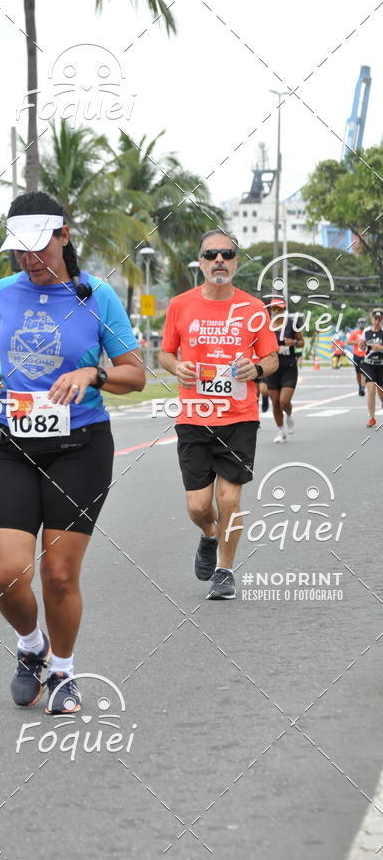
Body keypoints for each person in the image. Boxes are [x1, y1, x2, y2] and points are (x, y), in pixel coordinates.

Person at [0, 191, 144, 714]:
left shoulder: (98, 297)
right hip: (12, 445)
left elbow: (134, 375)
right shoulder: (2, 291)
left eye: (38, 247)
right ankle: (31, 646)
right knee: (5, 574)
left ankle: (64, 673)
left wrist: (93, 372)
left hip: (80, 448)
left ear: (63, 236)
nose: (29, 259)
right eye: (19, 250)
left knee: (60, 575)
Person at [158, 230, 279, 600]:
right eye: (211, 255)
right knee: (198, 506)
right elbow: (165, 353)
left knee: (229, 499)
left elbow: (272, 358)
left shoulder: (254, 309)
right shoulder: (180, 305)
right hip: (194, 416)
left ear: (237, 262)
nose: (219, 261)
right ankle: (209, 535)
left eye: (227, 254)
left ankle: (225, 570)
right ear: (201, 262)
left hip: (239, 416)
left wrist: (256, 370)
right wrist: (176, 367)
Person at [262, 298, 304, 443]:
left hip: (289, 367)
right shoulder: (266, 325)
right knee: (275, 402)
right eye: (274, 309)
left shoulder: (292, 324)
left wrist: (294, 343)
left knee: (284, 401)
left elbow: (301, 343)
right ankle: (280, 431)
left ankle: (290, 416)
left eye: (279, 309)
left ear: (284, 310)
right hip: (273, 368)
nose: (276, 312)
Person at [361, 308, 383, 427]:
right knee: (371, 390)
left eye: (380, 319)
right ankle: (371, 418)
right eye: (376, 319)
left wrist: (379, 348)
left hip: (382, 365)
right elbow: (361, 346)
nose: (377, 321)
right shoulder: (366, 331)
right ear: (372, 319)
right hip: (369, 364)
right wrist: (361, 344)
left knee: (381, 392)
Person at [347, 317, 367, 396]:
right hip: (356, 355)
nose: (362, 325)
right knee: (358, 373)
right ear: (358, 324)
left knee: (363, 372)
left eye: (363, 323)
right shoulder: (354, 333)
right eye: (361, 323)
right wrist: (357, 342)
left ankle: (362, 388)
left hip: (365, 355)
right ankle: (360, 386)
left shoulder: (367, 332)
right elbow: (348, 342)